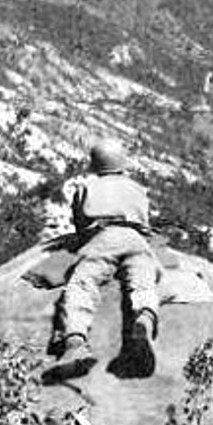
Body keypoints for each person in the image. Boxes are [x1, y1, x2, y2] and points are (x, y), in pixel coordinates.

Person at [44, 139, 161, 382]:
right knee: (143, 282)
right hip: (134, 239)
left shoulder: (86, 187)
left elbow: (80, 226)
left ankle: (75, 340)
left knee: (82, 284)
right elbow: (145, 224)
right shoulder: (136, 188)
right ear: (122, 162)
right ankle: (143, 320)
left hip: (102, 239)